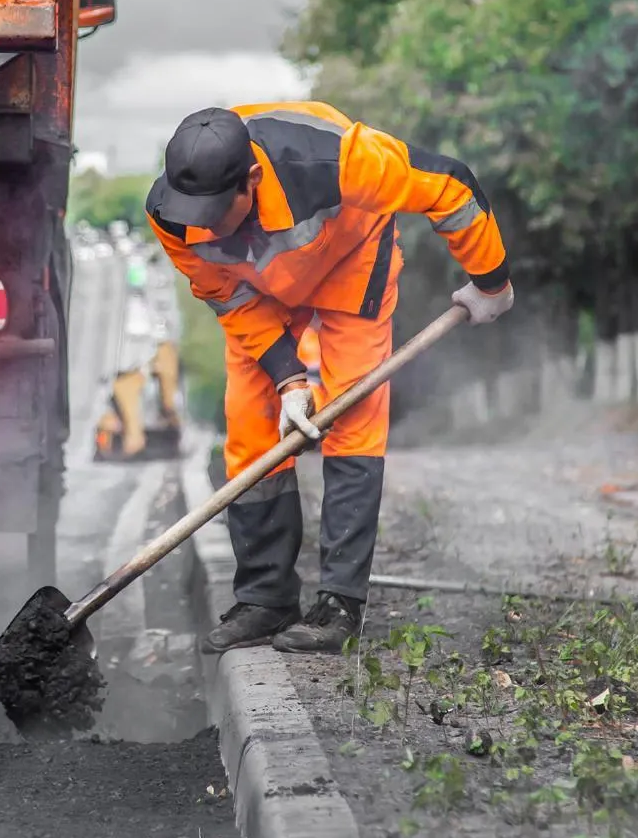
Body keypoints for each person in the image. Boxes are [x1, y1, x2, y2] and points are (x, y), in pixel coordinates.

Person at [146, 102, 514, 654]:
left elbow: (450, 185)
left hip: (351, 264)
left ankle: (340, 602)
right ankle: (265, 599)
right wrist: (289, 378)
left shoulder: (334, 159)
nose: (203, 222)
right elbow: (229, 297)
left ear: (251, 179)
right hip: (261, 294)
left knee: (353, 420)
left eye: (218, 210)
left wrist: (491, 280)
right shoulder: (172, 214)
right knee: (249, 430)